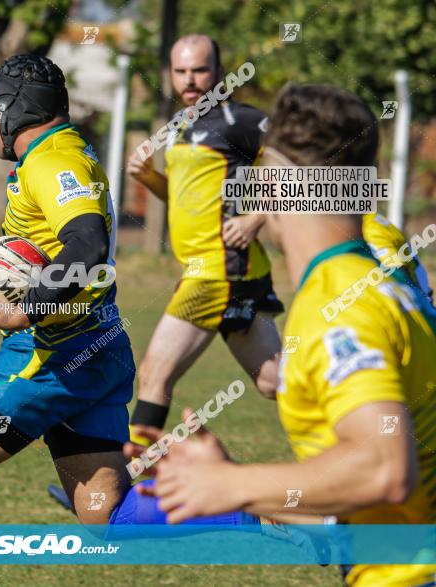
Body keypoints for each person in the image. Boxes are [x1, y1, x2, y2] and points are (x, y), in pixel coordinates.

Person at [0, 54, 293, 587]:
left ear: (14, 110)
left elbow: (87, 243)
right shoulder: (53, 156)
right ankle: (254, 513)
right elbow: (24, 250)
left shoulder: (53, 163)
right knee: (105, 514)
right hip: (96, 351)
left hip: (52, 357)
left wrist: (27, 307)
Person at [135, 84, 436, 587]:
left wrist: (232, 483)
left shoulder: (341, 304)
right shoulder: (370, 280)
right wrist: (240, 487)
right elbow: (369, 501)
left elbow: (385, 471)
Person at [125, 34, 284, 444]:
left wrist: (256, 217)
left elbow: (296, 167)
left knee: (155, 374)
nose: (189, 80)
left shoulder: (242, 121)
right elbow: (182, 198)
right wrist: (149, 179)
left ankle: (119, 493)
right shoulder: (180, 126)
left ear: (219, 72)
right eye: (181, 71)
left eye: (199, 70)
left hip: (218, 270)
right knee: (275, 382)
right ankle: (363, 412)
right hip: (215, 271)